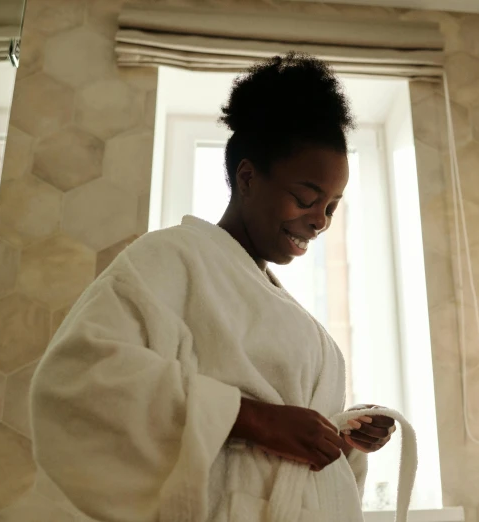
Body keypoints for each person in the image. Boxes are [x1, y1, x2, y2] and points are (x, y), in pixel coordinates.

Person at [30, 53, 395, 522]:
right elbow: (79, 382)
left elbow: (297, 456)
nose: (319, 221)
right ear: (247, 178)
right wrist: (254, 420)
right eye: (305, 198)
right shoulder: (172, 257)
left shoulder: (291, 313)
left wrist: (340, 437)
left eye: (331, 207)